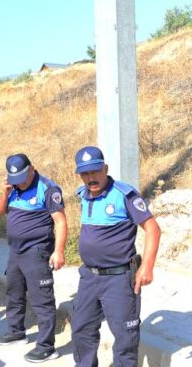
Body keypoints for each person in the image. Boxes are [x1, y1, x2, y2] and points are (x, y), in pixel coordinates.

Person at [70, 146, 161, 367]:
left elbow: (153, 229)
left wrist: (146, 267)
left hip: (119, 279)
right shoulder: (83, 195)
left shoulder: (124, 194)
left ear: (105, 168)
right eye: (85, 174)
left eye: (95, 171)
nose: (91, 178)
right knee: (81, 329)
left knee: (125, 336)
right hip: (89, 277)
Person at [0, 154, 67, 363]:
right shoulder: (13, 188)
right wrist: (5, 193)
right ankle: (16, 332)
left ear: (32, 168)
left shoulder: (48, 188)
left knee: (41, 299)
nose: (21, 182)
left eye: (24, 177)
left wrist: (58, 251)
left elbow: (60, 222)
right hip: (15, 250)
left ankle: (46, 346)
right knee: (14, 292)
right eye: (16, 179)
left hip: (37, 250)